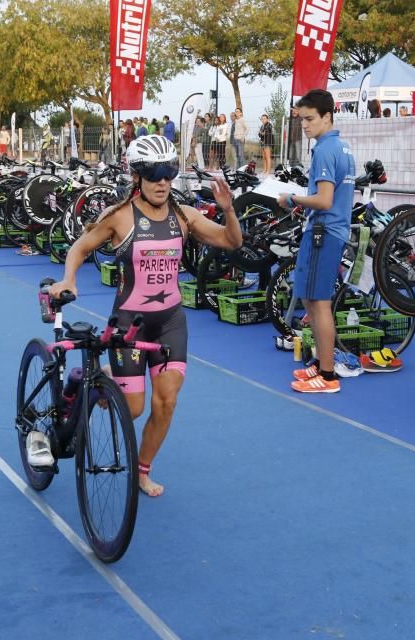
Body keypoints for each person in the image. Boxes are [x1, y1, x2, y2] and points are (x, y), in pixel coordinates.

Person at [44, 135, 242, 496]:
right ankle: (89, 379)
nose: (162, 182)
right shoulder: (118, 216)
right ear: (137, 177)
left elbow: (232, 242)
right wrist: (68, 278)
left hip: (170, 322)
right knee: (132, 408)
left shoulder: (185, 216)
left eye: (168, 174)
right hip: (129, 323)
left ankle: (142, 470)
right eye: (153, 175)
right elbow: (80, 246)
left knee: (166, 400)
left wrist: (228, 210)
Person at [276, 89, 355, 395]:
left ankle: (327, 374)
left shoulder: (324, 150)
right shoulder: (343, 147)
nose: (305, 125)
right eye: (302, 119)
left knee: (318, 303)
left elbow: (323, 199)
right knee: (312, 300)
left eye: (310, 119)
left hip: (324, 231)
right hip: (331, 231)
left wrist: (291, 198)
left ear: (327, 117)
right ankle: (323, 363)